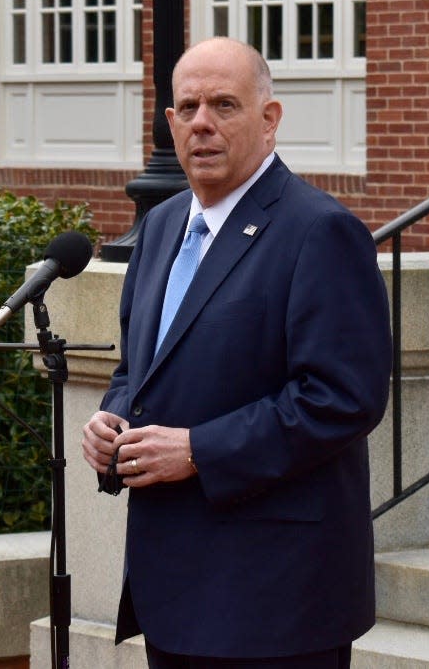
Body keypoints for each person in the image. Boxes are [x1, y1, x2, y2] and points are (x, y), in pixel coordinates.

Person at [82, 36, 392, 669]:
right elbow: (138, 367)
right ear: (169, 123)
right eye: (188, 107)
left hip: (276, 599)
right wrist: (114, 419)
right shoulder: (163, 225)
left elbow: (342, 399)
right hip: (172, 588)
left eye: (224, 104)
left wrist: (199, 451)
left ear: (269, 119)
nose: (202, 122)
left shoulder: (320, 231)